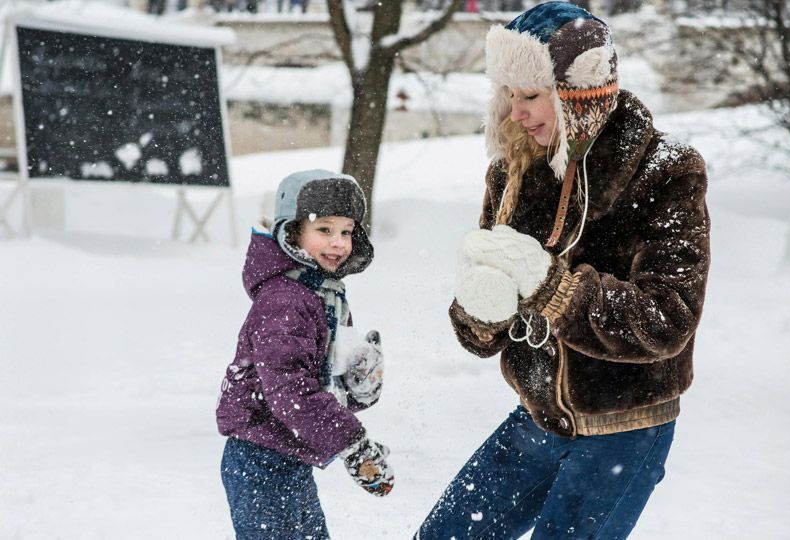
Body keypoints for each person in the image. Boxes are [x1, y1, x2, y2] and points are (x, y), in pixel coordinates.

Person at [416, 2, 710, 539]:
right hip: (538, 414)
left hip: (627, 428)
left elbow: (668, 319)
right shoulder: (515, 167)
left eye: (530, 96)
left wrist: (553, 289)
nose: (514, 114)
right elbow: (485, 333)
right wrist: (481, 310)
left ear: (582, 92)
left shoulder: (666, 172)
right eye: (507, 95)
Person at [216, 170, 393, 539]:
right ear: (292, 232)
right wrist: (352, 443)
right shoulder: (285, 301)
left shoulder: (324, 294)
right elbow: (290, 393)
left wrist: (356, 387)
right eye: (324, 230)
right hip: (258, 460)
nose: (338, 243)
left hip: (291, 455)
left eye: (346, 231)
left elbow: (319, 387)